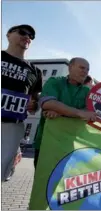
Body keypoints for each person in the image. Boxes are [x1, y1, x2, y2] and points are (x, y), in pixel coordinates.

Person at [33, 57, 98, 169]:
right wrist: (79, 113)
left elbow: (90, 113)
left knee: (63, 183)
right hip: (46, 143)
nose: (85, 71)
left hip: (72, 146)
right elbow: (48, 103)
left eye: (87, 69)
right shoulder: (54, 82)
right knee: (42, 181)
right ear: (70, 67)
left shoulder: (87, 92)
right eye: (82, 67)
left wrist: (60, 111)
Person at [1, 24, 42, 182]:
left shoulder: (34, 71)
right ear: (8, 35)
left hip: (11, 126)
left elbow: (34, 98)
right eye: (23, 32)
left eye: (31, 36)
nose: (27, 37)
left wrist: (34, 105)